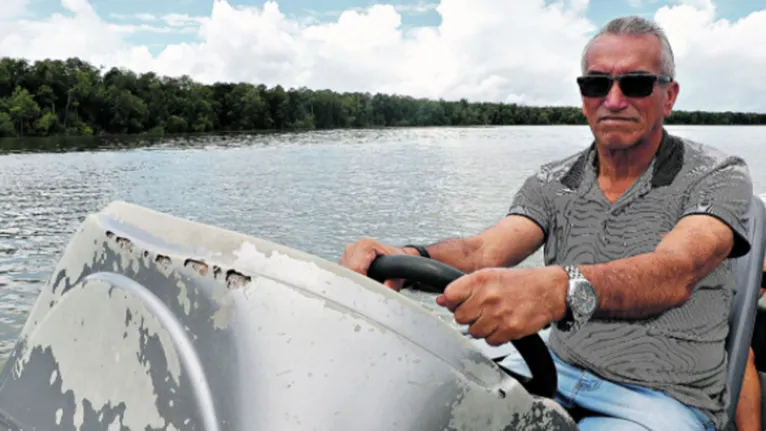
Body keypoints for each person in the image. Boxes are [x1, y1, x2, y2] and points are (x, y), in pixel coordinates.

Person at [340, 15, 761, 431]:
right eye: (596, 84)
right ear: (584, 98)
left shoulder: (716, 174)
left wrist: (558, 289)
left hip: (660, 401)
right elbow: (483, 251)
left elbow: (677, 271)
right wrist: (410, 256)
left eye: (635, 83)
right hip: (555, 370)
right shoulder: (552, 181)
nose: (613, 100)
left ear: (669, 96)